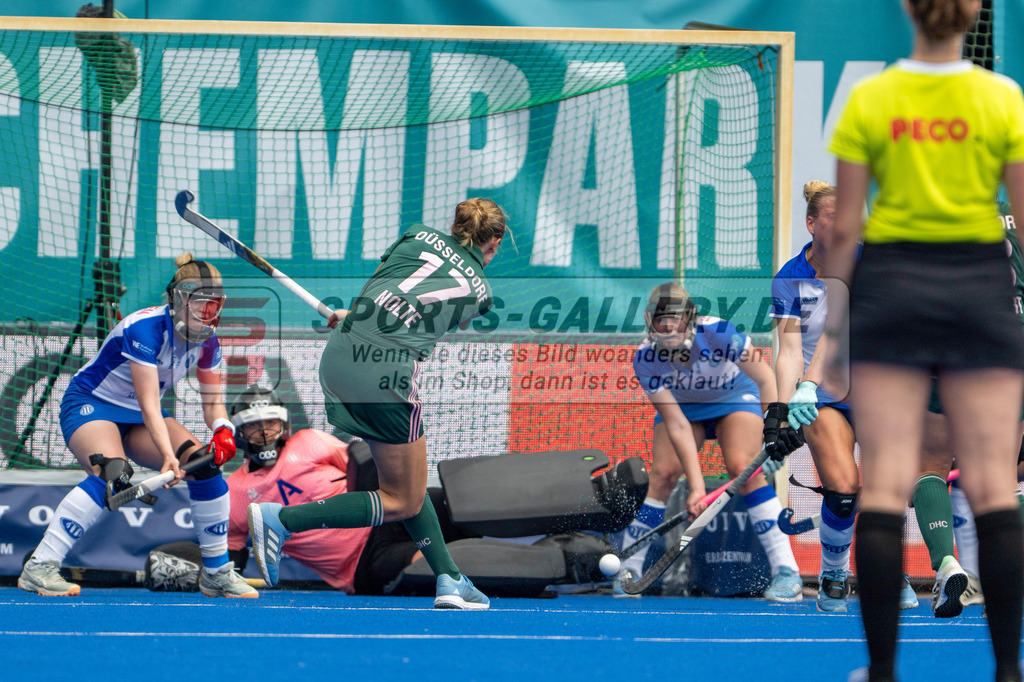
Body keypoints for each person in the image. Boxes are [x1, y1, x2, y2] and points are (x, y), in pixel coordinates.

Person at [825, 1, 1024, 679]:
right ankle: (1007, 673)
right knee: (996, 487)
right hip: (978, 289)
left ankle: (882, 674)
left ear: (909, 8)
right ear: (974, 14)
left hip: (894, 287)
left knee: (884, 484)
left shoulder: (873, 99)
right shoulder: (1001, 96)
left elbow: (846, 232)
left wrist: (831, 335)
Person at [247, 198, 506, 610]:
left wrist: (355, 316)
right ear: (494, 241)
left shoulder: (416, 234)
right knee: (403, 497)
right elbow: (435, 313)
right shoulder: (482, 291)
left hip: (341, 352)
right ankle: (283, 520)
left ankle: (450, 578)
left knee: (408, 485)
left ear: (455, 224)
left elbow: (384, 291)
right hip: (386, 372)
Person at [18, 253, 255, 598]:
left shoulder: (208, 340)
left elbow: (212, 403)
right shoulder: (144, 328)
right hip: (92, 404)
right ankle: (40, 567)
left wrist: (223, 429)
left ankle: (217, 573)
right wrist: (168, 460)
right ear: (178, 299)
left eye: (214, 304)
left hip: (140, 417)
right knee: (111, 471)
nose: (208, 313)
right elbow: (149, 405)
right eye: (200, 303)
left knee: (205, 466)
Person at [772, 181, 919, 613]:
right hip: (823, 396)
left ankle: (887, 570)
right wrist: (780, 413)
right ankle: (834, 569)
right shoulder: (789, 277)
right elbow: (791, 351)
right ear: (811, 223)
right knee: (843, 490)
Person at [621, 282, 805, 601]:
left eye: (674, 318)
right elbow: (677, 424)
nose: (667, 325)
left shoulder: (720, 333)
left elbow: (764, 376)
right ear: (650, 322)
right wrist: (696, 489)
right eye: (659, 318)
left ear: (690, 318)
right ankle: (631, 570)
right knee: (663, 475)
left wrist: (772, 429)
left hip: (735, 397)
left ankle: (787, 572)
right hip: (685, 409)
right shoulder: (645, 358)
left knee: (743, 469)